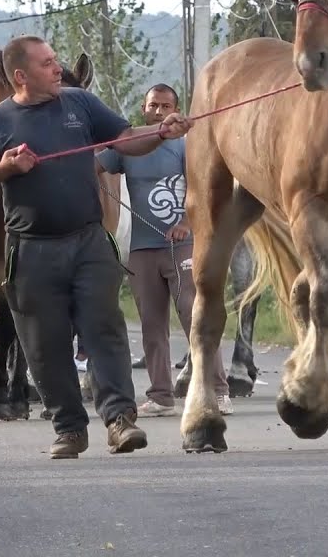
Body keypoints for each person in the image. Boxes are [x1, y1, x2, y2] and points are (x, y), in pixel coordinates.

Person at [0, 35, 191, 460]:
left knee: (105, 331)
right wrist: (4, 167)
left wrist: (159, 133)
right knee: (45, 345)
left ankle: (120, 420)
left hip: (88, 242)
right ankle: (69, 428)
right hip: (30, 251)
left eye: (55, 60)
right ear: (21, 75)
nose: (57, 67)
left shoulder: (79, 103)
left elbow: (124, 139)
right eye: (47, 63)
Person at [97, 83, 234, 419]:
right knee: (151, 324)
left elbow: (205, 188)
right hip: (142, 248)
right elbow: (93, 167)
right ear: (143, 109)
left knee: (193, 314)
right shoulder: (127, 146)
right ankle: (161, 395)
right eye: (153, 105)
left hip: (183, 244)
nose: (158, 112)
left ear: (177, 109)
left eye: (165, 105)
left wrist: (188, 222)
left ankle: (218, 389)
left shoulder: (186, 146)